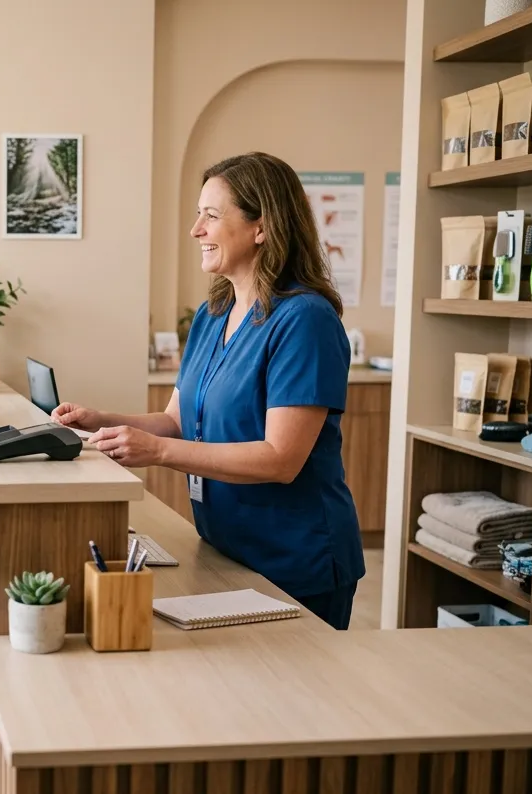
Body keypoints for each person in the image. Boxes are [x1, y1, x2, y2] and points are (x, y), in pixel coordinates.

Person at [54, 152, 365, 630]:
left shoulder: (305, 320)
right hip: (226, 546)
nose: (196, 229)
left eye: (211, 216)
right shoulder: (212, 314)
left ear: (261, 226)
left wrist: (158, 452)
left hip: (295, 559)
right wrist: (103, 420)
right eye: (198, 214)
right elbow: (178, 421)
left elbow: (281, 459)